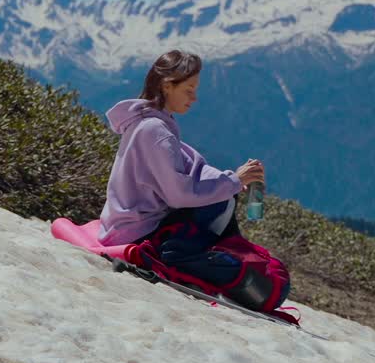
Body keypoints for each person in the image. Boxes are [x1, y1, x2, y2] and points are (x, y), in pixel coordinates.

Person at [97, 49, 265, 247]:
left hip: (122, 225)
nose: (194, 98)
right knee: (221, 202)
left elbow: (188, 164)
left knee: (224, 193)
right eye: (189, 89)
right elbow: (179, 195)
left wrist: (233, 180)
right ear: (167, 86)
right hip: (137, 231)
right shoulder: (155, 130)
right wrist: (232, 182)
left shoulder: (146, 120)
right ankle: (221, 253)